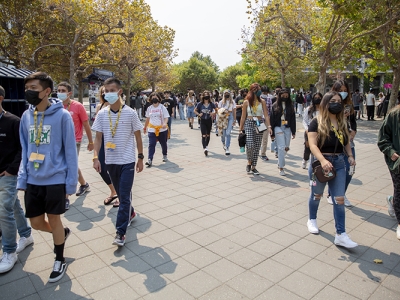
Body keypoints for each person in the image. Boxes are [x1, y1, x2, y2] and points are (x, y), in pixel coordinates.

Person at [18, 72, 78, 282]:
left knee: (54, 219)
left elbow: (70, 151)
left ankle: (59, 259)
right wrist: (22, 178)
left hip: (55, 178)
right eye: (27, 88)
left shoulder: (63, 116)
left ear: (46, 91)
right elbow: (25, 149)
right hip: (33, 179)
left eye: (33, 88)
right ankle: (61, 232)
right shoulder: (26, 116)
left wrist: (71, 183)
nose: (29, 92)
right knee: (35, 223)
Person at [92, 77, 144, 247]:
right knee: (122, 195)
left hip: (127, 161)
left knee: (123, 197)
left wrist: (141, 158)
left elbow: (138, 137)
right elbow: (98, 138)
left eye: (112, 90)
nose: (109, 94)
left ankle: (120, 233)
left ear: (120, 92)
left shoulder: (130, 112)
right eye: (106, 91)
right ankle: (131, 213)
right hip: (110, 161)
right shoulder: (101, 113)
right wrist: (95, 157)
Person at [306, 91, 357, 248]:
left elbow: (346, 141)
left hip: (340, 163)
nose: (337, 103)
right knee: (316, 195)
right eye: (333, 100)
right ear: (325, 103)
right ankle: (312, 219)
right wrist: (322, 160)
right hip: (320, 165)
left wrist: (350, 155)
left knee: (339, 199)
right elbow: (312, 145)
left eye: (339, 101)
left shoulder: (342, 122)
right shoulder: (316, 122)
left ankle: (341, 234)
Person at [0, 85, 34, 274]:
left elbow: (23, 147)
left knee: (4, 210)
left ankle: (9, 251)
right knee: (13, 206)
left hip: (7, 175)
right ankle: (26, 235)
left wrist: (11, 170)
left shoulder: (13, 121)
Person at [57, 82, 92, 210]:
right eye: (58, 90)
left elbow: (86, 125)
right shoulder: (56, 106)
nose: (60, 92)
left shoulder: (78, 106)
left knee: (67, 167)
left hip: (74, 141)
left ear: (69, 93)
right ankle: (84, 184)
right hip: (59, 142)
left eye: (63, 90)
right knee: (72, 165)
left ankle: (65, 197)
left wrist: (91, 142)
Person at [327, 80, 357, 207]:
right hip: (335, 141)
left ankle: (341, 192)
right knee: (335, 170)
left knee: (350, 169)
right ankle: (332, 194)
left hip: (348, 141)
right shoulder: (331, 104)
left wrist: (353, 131)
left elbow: (353, 122)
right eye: (340, 90)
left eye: (345, 90)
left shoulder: (349, 105)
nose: (343, 93)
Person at [378, 100, 400, 239]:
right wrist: (391, 152)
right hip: (397, 162)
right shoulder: (393, 115)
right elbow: (382, 139)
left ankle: (392, 201)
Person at [239, 83, 272, 175]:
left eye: (259, 89)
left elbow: (266, 114)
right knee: (250, 144)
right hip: (249, 123)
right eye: (257, 90)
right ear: (252, 90)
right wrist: (240, 129)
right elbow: (243, 116)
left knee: (257, 146)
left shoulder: (262, 102)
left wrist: (269, 126)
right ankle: (249, 161)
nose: (259, 91)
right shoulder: (246, 102)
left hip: (260, 123)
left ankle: (254, 167)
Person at [94, 87, 118, 207]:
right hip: (103, 141)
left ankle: (120, 194)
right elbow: (98, 128)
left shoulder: (120, 107)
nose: (105, 94)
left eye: (107, 92)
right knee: (101, 168)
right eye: (103, 92)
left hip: (116, 142)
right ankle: (113, 191)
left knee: (116, 169)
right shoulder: (100, 107)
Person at [270, 88, 296, 176]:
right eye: (283, 95)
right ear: (279, 95)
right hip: (278, 127)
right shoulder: (275, 105)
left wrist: (294, 131)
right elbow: (272, 119)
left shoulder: (291, 106)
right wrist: (272, 133)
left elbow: (293, 119)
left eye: (286, 95)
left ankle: (280, 161)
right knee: (281, 147)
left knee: (286, 147)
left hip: (287, 127)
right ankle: (281, 167)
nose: (285, 96)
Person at [143, 93, 169, 167]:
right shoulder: (149, 108)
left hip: (162, 130)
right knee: (151, 144)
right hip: (152, 129)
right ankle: (150, 159)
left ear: (159, 98)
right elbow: (147, 118)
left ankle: (164, 155)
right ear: (150, 99)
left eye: (156, 97)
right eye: (153, 97)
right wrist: (145, 127)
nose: (154, 98)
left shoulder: (162, 107)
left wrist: (164, 123)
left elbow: (166, 117)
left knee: (163, 143)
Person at [302, 92, 322, 169]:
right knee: (308, 148)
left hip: (320, 131)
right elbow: (304, 121)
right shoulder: (308, 109)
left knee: (317, 148)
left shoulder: (324, 109)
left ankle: (315, 162)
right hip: (309, 131)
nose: (317, 99)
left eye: (319, 98)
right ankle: (305, 160)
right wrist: (307, 130)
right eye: (316, 98)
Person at [195, 90, 216, 156]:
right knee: (204, 135)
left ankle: (206, 145)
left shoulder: (211, 104)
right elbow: (195, 110)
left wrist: (213, 113)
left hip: (209, 120)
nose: (206, 98)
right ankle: (205, 148)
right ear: (203, 97)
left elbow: (217, 109)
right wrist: (198, 114)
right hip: (203, 120)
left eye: (208, 96)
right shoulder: (200, 104)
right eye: (205, 96)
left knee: (208, 134)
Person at [217, 90, 236, 155]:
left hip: (230, 117)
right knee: (224, 133)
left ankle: (227, 147)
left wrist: (234, 119)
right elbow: (218, 111)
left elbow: (234, 111)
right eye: (225, 93)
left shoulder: (232, 102)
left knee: (228, 133)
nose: (227, 95)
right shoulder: (221, 102)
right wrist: (224, 111)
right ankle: (223, 142)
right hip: (223, 118)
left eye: (228, 93)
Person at [259, 86, 273, 161]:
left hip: (266, 121)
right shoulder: (257, 99)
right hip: (259, 121)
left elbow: (270, 111)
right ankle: (257, 151)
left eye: (266, 92)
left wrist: (269, 123)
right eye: (263, 92)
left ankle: (263, 154)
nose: (265, 94)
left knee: (265, 138)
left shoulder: (269, 99)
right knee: (259, 137)